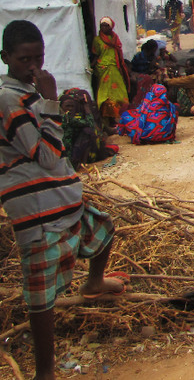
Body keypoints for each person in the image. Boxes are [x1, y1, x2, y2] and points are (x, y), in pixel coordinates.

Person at [1, 20, 124, 380]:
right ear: (6, 57)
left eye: (38, 57)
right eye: (25, 59)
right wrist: (52, 100)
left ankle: (94, 283)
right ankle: (45, 372)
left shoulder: (29, 95)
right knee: (41, 299)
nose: (34, 66)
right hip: (37, 213)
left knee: (103, 227)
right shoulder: (9, 100)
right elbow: (47, 156)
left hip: (61, 200)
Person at [59, 89, 115, 170]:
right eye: (67, 106)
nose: (70, 109)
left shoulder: (59, 117)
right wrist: (86, 106)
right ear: (60, 106)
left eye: (72, 106)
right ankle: (77, 163)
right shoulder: (68, 119)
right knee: (88, 131)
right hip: (65, 156)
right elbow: (91, 124)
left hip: (61, 157)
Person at [90, 16, 131, 126]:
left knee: (119, 94)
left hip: (115, 67)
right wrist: (91, 66)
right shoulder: (97, 40)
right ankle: (108, 121)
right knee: (105, 96)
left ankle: (120, 118)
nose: (104, 27)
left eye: (106, 25)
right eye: (102, 25)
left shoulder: (115, 39)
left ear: (111, 26)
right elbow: (96, 54)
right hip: (103, 69)